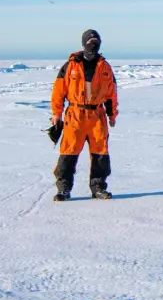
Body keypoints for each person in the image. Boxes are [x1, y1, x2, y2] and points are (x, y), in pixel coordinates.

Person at [50, 29, 118, 201]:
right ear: (84, 43)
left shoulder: (105, 67)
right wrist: (56, 114)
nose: (93, 44)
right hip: (75, 115)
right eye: (90, 41)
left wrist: (112, 114)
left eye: (96, 41)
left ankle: (98, 188)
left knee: (100, 153)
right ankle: (64, 188)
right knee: (69, 152)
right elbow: (58, 92)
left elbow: (111, 93)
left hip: (97, 115)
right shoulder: (70, 66)